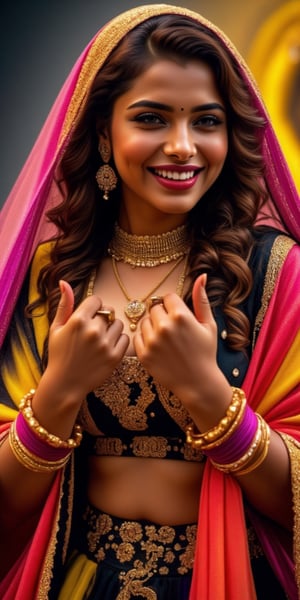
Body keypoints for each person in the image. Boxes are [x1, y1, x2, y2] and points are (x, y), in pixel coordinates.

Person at [0, 4, 299, 599]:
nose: (183, 146)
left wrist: (209, 396)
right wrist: (60, 391)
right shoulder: (54, 277)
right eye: (152, 118)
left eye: (206, 121)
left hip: (232, 583)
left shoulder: (275, 274)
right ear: (104, 133)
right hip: (81, 584)